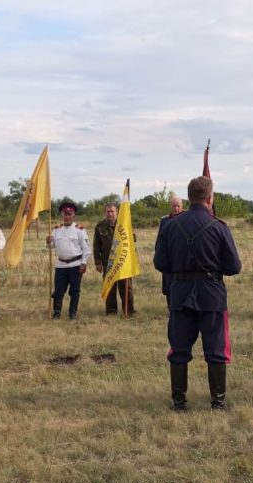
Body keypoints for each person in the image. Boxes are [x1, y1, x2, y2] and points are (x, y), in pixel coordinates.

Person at [154, 175, 242, 411]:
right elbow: (234, 267)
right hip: (211, 294)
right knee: (216, 349)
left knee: (179, 348)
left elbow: (160, 262)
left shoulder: (171, 225)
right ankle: (218, 403)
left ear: (188, 198)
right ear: (210, 198)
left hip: (180, 293)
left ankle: (179, 403)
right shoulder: (219, 227)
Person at [47, 200, 92, 319]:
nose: (67, 217)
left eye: (69, 214)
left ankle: (72, 313)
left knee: (75, 291)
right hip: (61, 265)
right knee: (58, 291)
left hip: (75, 265)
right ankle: (56, 313)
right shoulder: (56, 230)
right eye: (65, 214)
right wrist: (48, 241)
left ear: (73, 215)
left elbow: (86, 249)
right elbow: (51, 246)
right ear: (62, 215)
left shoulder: (80, 230)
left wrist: (83, 263)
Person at [93, 202, 135, 316]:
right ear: (105, 213)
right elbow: (96, 246)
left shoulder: (124, 225)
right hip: (108, 263)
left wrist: (128, 228)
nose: (110, 214)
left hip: (123, 263)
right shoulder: (99, 227)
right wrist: (97, 262)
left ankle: (129, 311)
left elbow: (132, 240)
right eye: (108, 211)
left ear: (117, 212)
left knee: (126, 288)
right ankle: (111, 312)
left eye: (112, 211)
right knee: (110, 289)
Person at [159, 195, 184, 309]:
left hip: (182, 259)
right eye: (174, 206)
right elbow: (159, 240)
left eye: (178, 206)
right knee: (168, 286)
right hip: (168, 259)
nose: (176, 208)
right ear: (171, 207)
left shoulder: (186, 219)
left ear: (182, 207)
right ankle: (170, 307)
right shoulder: (164, 221)